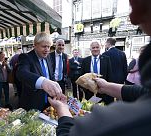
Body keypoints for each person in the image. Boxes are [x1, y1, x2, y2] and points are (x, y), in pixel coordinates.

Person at [48, 0, 151, 135]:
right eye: (93, 48)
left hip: (106, 97)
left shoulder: (106, 58)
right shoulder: (85, 60)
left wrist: (62, 110)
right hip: (91, 94)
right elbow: (143, 93)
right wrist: (105, 86)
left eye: (139, 5)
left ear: (100, 48)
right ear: (90, 49)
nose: (132, 18)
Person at [16, 32, 63, 111]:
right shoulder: (26, 57)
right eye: (44, 46)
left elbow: (50, 77)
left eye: (49, 47)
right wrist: (42, 82)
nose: (47, 50)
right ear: (35, 45)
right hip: (32, 104)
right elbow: (21, 73)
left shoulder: (48, 58)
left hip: (49, 103)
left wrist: (55, 89)